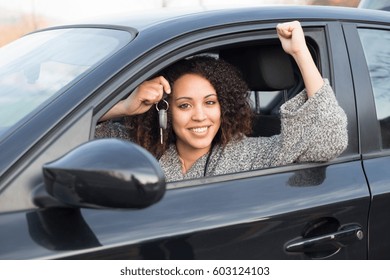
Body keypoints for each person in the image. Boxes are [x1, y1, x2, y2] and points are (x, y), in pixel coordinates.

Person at [96, 21, 348, 182]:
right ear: (166, 110)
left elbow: (327, 140)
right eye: (184, 105)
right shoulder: (143, 149)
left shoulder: (248, 154)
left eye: (210, 103)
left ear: (223, 107)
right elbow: (70, 139)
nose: (199, 116)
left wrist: (300, 53)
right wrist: (125, 107)